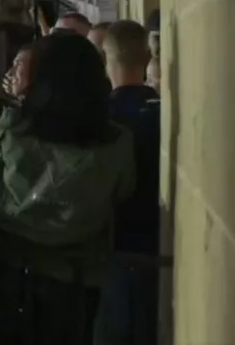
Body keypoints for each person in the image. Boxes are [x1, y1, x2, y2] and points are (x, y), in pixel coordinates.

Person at [0, 31, 134, 345]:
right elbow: (123, 191)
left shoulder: (14, 131)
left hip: (12, 286)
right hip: (77, 291)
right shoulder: (119, 143)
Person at [94, 20, 161, 345]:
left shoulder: (98, 119)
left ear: (107, 59)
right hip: (159, 249)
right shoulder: (161, 110)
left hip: (113, 251)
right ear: (147, 57)